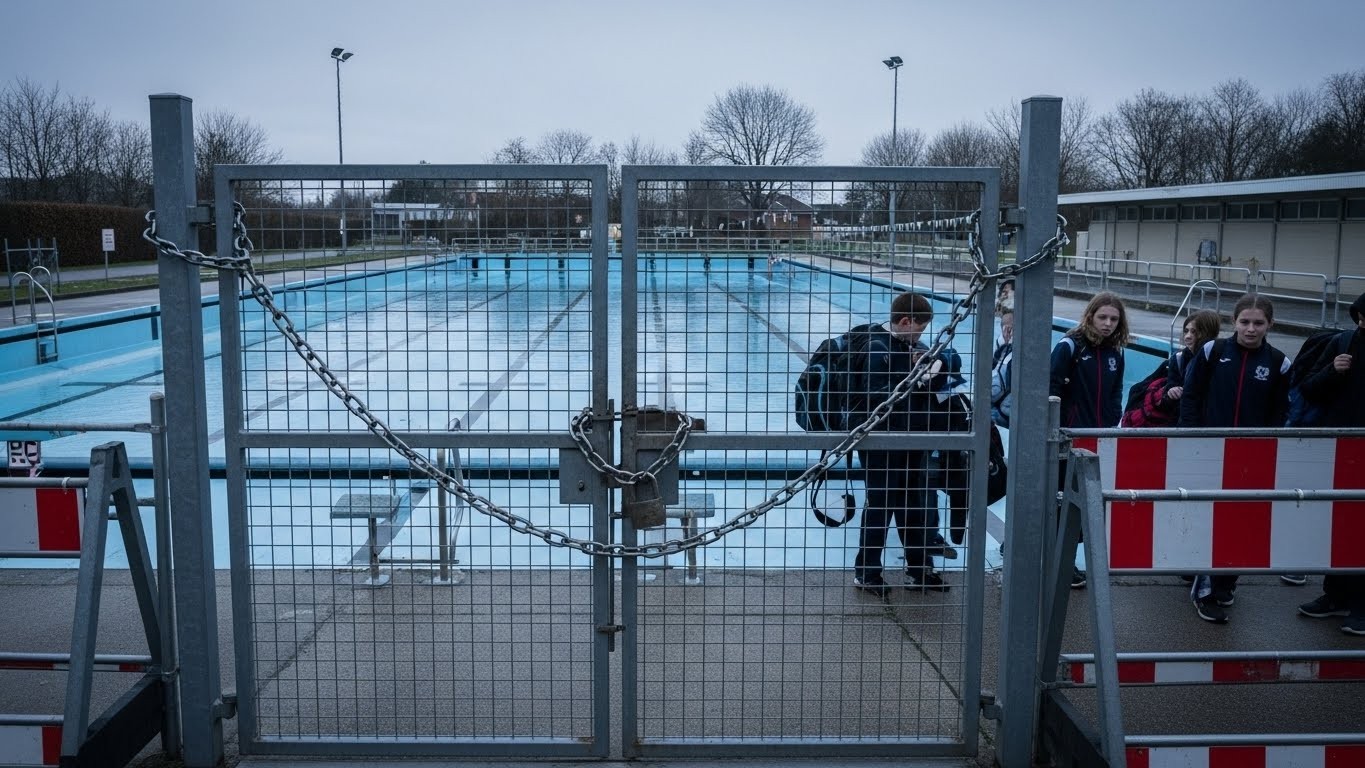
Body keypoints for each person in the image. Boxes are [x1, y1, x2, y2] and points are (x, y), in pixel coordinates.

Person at [1179, 293, 1292, 624]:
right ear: (1234, 322)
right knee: (1211, 519)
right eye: (1245, 322)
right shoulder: (1214, 352)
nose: (1251, 329)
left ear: (1270, 324)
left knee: (1242, 519)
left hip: (1250, 456)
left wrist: (1266, 447)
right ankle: (1205, 590)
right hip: (1211, 451)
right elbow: (1191, 395)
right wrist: (1192, 439)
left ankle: (1227, 581)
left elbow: (1281, 411)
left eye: (1258, 323)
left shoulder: (1279, 363)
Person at [853, 291, 955, 597]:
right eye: (920, 329)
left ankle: (918, 569)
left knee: (915, 506)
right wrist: (913, 375)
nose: (921, 336)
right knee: (881, 506)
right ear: (905, 321)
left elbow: (948, 378)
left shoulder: (914, 347)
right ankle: (867, 572)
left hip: (913, 439)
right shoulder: (876, 347)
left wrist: (934, 368)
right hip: (880, 442)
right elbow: (875, 397)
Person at [1295, 292, 1365, 636]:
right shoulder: (1343, 343)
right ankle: (1334, 594)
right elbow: (1307, 389)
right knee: (1341, 522)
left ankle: (1361, 606)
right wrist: (1332, 372)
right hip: (1343, 448)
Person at [1051, 291, 1130, 588]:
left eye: (1113, 319)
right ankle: (1062, 563)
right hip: (1069, 437)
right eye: (1102, 317)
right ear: (1090, 316)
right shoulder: (1070, 346)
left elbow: (1115, 390)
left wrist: (1112, 418)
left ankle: (1068, 558)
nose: (1107, 324)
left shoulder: (1116, 353)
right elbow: (1051, 386)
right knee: (1063, 500)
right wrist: (1060, 427)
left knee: (1088, 501)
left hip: (1098, 436)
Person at [990, 299, 1014, 428]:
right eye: (1004, 328)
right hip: (997, 407)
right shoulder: (1001, 348)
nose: (1006, 333)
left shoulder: (1021, 355)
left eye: (1010, 329)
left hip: (1005, 412)